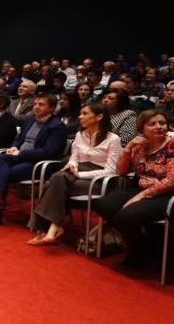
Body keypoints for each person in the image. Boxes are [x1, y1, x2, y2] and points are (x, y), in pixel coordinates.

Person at [94, 110, 174, 269]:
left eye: (162, 123)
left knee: (126, 216)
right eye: (152, 124)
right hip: (147, 188)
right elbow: (121, 172)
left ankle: (139, 253)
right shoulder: (140, 145)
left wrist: (141, 196)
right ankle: (143, 249)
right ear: (142, 128)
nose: (159, 127)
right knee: (103, 204)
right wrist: (128, 149)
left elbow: (173, 181)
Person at [26, 103, 121, 245]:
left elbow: (111, 170)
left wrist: (80, 175)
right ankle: (53, 227)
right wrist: (72, 166)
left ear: (99, 117)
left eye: (84, 113)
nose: (80, 116)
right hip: (77, 172)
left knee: (51, 183)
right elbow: (74, 158)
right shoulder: (79, 134)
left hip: (99, 180)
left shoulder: (113, 139)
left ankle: (49, 228)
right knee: (57, 179)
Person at [0, 93, 68, 228]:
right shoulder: (30, 120)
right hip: (19, 156)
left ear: (52, 108)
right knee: (1, 158)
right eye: (35, 104)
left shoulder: (58, 126)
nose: (36, 107)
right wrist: (13, 147)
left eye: (41, 105)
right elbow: (19, 139)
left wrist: (21, 153)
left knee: (4, 173)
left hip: (38, 163)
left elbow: (48, 152)